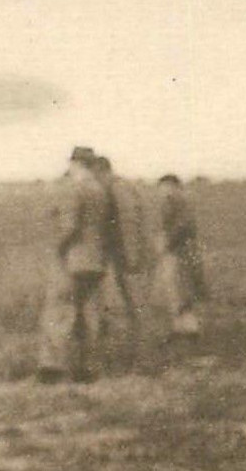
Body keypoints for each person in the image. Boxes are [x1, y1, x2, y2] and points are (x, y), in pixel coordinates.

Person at [38, 147, 112, 383]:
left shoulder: (75, 188)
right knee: (89, 315)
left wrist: (57, 248)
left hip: (73, 260)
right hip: (96, 261)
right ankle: (88, 368)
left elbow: (70, 226)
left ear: (76, 164)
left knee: (59, 311)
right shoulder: (100, 189)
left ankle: (53, 368)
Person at [92, 155, 151, 332]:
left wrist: (132, 255)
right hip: (121, 250)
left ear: (101, 170)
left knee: (133, 293)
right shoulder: (113, 187)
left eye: (95, 174)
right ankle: (137, 331)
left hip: (127, 251)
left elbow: (129, 222)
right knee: (126, 292)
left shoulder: (118, 187)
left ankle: (142, 334)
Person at [154, 174, 207, 337]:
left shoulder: (176, 201)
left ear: (172, 186)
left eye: (164, 187)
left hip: (179, 251)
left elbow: (181, 227)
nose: (162, 192)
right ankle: (184, 326)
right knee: (181, 289)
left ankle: (187, 328)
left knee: (178, 288)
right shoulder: (181, 201)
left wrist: (166, 243)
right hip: (185, 250)